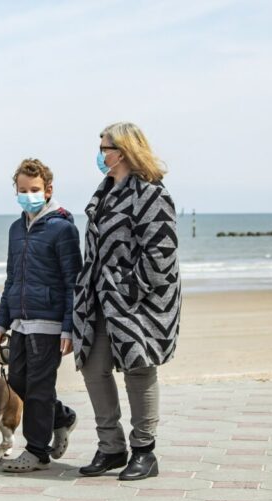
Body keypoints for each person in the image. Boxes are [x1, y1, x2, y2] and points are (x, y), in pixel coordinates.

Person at [72, 122, 181, 481]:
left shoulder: (151, 194)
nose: (99, 153)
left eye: (103, 147)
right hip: (99, 298)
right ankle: (111, 447)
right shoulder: (103, 192)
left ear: (121, 151)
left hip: (138, 303)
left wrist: (129, 289)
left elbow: (162, 253)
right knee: (92, 365)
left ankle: (145, 451)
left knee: (138, 366)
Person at [0, 158, 82, 472]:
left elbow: (73, 281)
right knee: (18, 380)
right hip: (20, 322)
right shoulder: (16, 229)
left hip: (50, 322)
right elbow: (11, 277)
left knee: (40, 386)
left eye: (34, 189)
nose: (28, 194)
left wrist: (69, 329)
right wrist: (1, 319)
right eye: (22, 190)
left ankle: (36, 450)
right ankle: (62, 417)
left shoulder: (63, 228)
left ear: (48, 190)